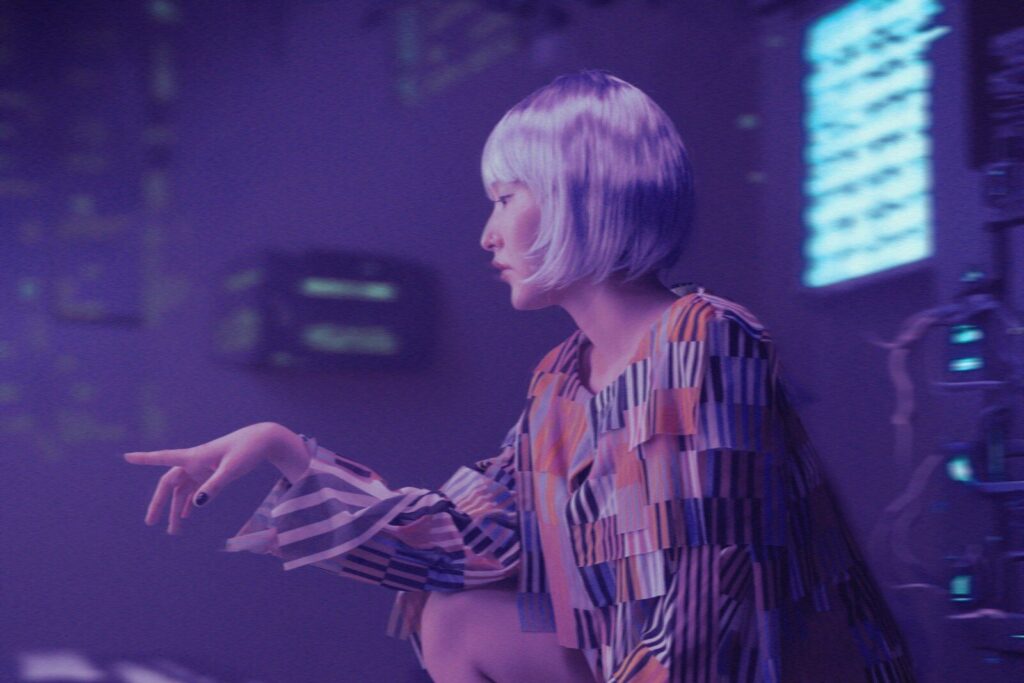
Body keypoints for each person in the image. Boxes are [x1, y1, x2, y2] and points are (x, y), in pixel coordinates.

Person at [125, 70, 915, 682]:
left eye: (506, 199)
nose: (488, 233)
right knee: (455, 612)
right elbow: (462, 539)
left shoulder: (706, 338)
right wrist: (282, 450)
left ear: (581, 196)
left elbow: (714, 600)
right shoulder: (561, 382)